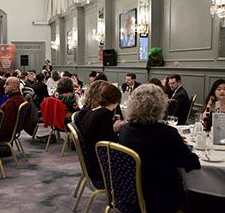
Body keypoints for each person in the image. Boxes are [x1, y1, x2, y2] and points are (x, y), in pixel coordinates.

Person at [119, 84, 200, 213]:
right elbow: (191, 163)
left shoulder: (124, 130)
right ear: (160, 106)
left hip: (128, 192)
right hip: (160, 197)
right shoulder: (167, 133)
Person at [81, 82, 123, 183]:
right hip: (101, 168)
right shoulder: (105, 115)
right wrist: (116, 128)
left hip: (91, 162)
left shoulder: (91, 112)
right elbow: (112, 142)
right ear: (117, 100)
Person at [0, 77, 26, 142]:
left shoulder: (11, 103)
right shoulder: (21, 99)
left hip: (4, 135)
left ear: (14, 87)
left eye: (7, 84)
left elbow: (7, 126)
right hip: (14, 132)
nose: (4, 86)